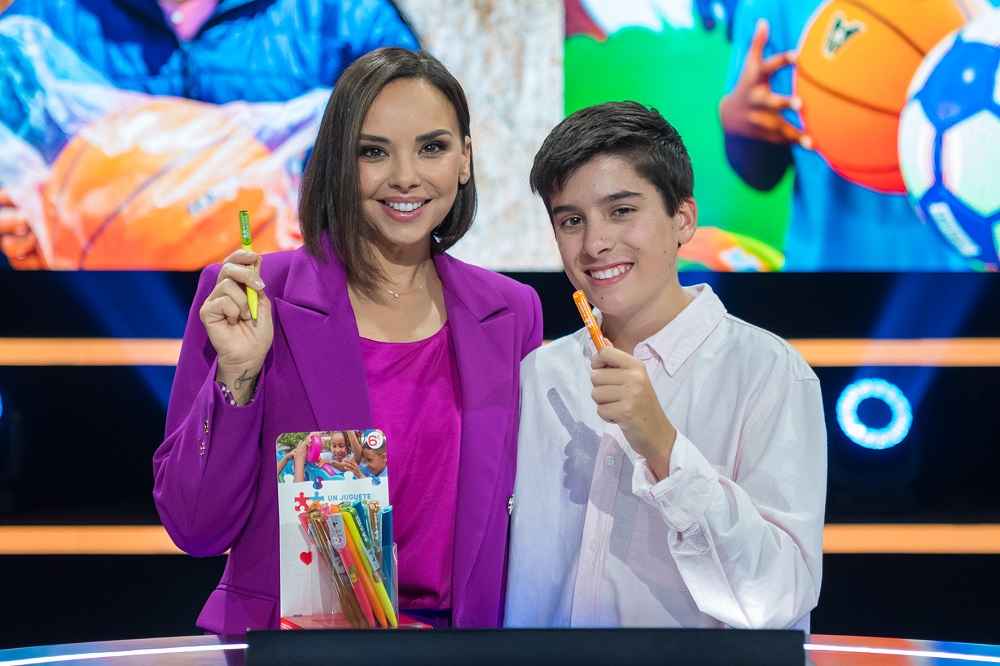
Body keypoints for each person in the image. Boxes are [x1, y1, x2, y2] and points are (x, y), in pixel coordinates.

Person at [153, 46, 543, 633]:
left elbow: (525, 523)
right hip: (295, 651)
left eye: (432, 148)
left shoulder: (510, 313)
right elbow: (195, 527)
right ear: (338, 162)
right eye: (373, 152)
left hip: (461, 649)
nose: (405, 176)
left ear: (465, 159)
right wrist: (238, 376)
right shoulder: (257, 296)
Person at [504, 101, 826, 629]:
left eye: (621, 211)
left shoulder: (769, 374)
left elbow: (779, 599)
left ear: (684, 218)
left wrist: (664, 447)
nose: (595, 243)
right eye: (571, 220)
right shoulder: (539, 375)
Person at [0, 0, 418, 269]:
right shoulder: (36, 26)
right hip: (112, 337)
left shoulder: (348, 18)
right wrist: (13, 224)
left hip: (293, 330)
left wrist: (339, 228)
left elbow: (420, 168)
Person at [718, 0, 975, 270]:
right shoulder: (772, 8)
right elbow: (764, 176)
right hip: (823, 264)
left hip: (953, 270)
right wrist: (739, 127)